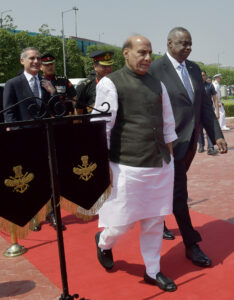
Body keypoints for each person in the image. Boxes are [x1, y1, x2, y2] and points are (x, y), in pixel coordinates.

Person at [93, 35, 178, 292]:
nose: (147, 58)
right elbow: (100, 128)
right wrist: (103, 166)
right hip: (126, 165)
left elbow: (168, 123)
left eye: (150, 53)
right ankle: (104, 242)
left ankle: (153, 270)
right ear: (126, 53)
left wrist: (170, 158)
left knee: (154, 222)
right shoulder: (110, 83)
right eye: (141, 52)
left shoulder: (157, 84)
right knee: (121, 222)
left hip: (160, 164)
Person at [149, 27, 227, 268]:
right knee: (179, 195)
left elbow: (203, 106)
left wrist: (216, 136)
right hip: (165, 146)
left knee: (168, 193)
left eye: (190, 44)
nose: (188, 48)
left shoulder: (193, 68)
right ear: (170, 43)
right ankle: (191, 245)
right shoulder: (154, 70)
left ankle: (115, 235)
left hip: (190, 144)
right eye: (183, 44)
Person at [3, 47, 57, 231]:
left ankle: (52, 213)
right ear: (22, 61)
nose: (36, 61)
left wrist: (52, 92)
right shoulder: (13, 83)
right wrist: (18, 135)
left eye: (38, 59)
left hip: (45, 137)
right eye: (32, 58)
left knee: (50, 176)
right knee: (31, 178)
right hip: (24, 139)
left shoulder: (45, 83)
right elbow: (9, 112)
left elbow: (57, 110)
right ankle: (34, 214)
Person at [75, 50, 113, 115]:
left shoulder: (116, 83)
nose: (108, 69)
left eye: (110, 66)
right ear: (95, 66)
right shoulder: (85, 86)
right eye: (104, 66)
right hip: (92, 124)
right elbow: (78, 113)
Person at [198, 70, 219, 155]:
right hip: (198, 112)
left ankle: (210, 147)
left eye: (203, 75)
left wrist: (217, 112)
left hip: (208, 111)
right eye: (201, 75)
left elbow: (215, 99)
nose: (202, 77)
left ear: (206, 76)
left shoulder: (210, 86)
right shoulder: (196, 86)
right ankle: (201, 146)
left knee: (209, 130)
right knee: (199, 131)